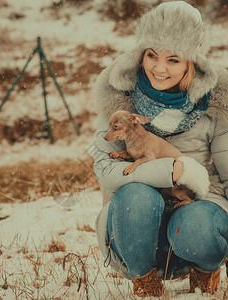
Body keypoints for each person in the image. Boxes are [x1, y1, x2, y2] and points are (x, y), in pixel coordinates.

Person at [93, 1, 228, 297]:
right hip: (135, 230)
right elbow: (105, 169)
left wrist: (192, 183)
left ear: (192, 63)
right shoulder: (119, 97)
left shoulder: (217, 103)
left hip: (198, 214)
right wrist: (172, 170)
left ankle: (205, 271)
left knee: (194, 224)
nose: (159, 68)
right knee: (136, 196)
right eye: (152, 55)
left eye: (174, 59)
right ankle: (146, 283)